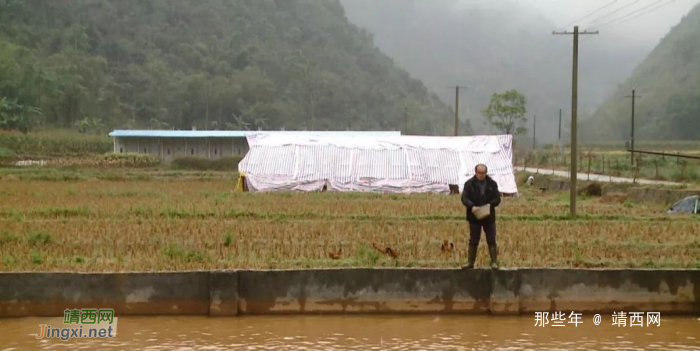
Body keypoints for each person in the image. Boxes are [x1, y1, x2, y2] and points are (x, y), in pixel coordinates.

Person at [460, 163, 501, 269]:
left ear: (486, 173)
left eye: (483, 173)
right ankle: (470, 262)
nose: (481, 175)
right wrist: (472, 206)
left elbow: (497, 199)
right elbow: (464, 198)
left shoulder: (492, 184)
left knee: (491, 239)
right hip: (474, 216)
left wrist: (490, 204)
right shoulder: (469, 184)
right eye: (479, 173)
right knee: (473, 239)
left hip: (489, 216)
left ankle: (494, 262)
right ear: (475, 172)